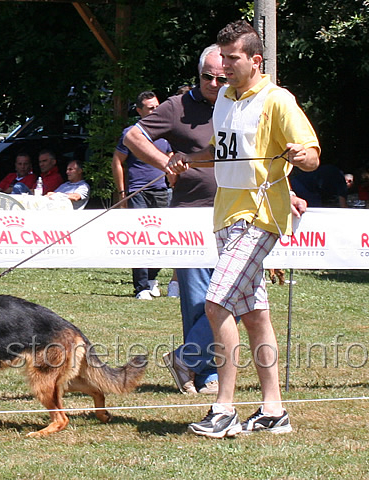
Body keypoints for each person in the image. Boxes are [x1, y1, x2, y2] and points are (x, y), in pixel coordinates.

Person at [167, 20, 320, 437]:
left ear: (255, 59)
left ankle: (224, 408)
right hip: (225, 216)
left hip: (258, 216)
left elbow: (311, 157)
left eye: (232, 58)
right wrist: (186, 160)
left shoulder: (277, 100)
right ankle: (274, 411)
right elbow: (223, 152)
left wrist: (299, 155)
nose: (224, 66)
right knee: (254, 315)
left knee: (216, 304)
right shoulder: (226, 100)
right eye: (221, 57)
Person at [124, 44, 223, 394]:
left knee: (236, 295)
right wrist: (164, 163)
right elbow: (133, 136)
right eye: (207, 77)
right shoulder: (177, 107)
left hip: (238, 210)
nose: (213, 83)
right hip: (190, 216)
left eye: (220, 78)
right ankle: (206, 374)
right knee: (198, 300)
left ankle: (187, 359)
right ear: (198, 75)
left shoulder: (239, 104)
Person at [113, 91, 172, 300]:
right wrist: (122, 194)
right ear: (139, 111)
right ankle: (141, 287)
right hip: (138, 192)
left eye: (157, 107)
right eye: (150, 108)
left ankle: (153, 279)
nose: (155, 111)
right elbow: (117, 161)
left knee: (160, 238)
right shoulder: (131, 133)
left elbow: (172, 158)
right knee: (141, 239)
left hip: (161, 191)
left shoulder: (166, 133)